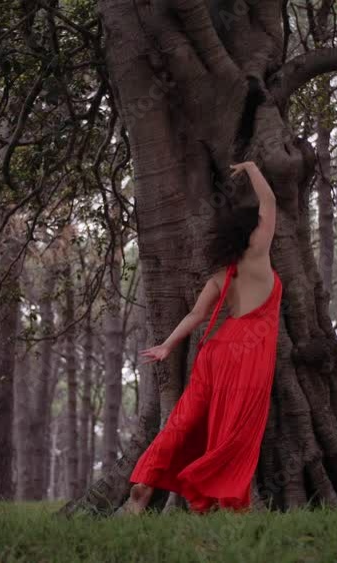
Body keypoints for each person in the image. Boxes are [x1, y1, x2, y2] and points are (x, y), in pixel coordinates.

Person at [125, 160, 281, 514]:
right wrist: (252, 168)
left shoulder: (221, 274)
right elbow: (269, 201)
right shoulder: (259, 254)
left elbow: (196, 315)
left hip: (215, 350)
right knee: (236, 429)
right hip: (249, 352)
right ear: (253, 230)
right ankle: (221, 493)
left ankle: (146, 482)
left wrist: (167, 345)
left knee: (182, 421)